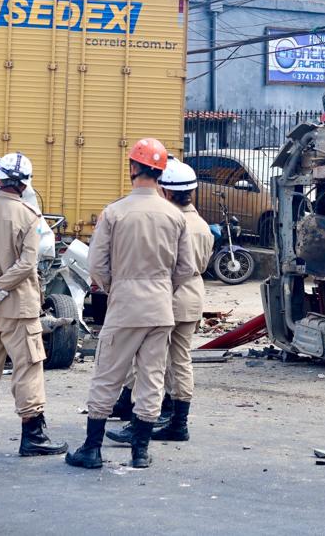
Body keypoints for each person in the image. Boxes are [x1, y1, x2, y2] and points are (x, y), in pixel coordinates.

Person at [66, 138, 194, 470]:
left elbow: (96, 265)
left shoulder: (115, 212)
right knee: (151, 378)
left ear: (133, 168)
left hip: (124, 306)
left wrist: (116, 287)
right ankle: (140, 451)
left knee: (108, 374)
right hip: (161, 309)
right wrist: (162, 290)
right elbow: (185, 269)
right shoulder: (175, 216)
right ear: (161, 171)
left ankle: (92, 449)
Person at [0, 152, 68, 458]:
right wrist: (1, 286)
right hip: (19, 309)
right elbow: (27, 264)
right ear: (25, 184)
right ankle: (32, 438)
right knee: (27, 370)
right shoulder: (30, 216)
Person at [105, 158, 214, 445]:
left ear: (166, 191)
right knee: (180, 361)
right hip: (192, 297)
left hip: (167, 296)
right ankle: (178, 422)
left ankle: (141, 421)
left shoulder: (170, 220)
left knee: (148, 363)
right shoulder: (201, 224)